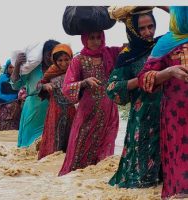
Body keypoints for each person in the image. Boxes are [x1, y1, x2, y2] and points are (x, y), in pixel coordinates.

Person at [107, 10, 162, 188]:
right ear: (132, 30)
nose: (148, 32)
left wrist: (162, 6)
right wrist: (139, 80)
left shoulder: (164, 45)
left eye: (151, 26)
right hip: (143, 119)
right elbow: (112, 88)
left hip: (169, 114)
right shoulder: (126, 56)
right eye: (142, 28)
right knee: (142, 179)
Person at [138, 6, 188, 199]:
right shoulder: (166, 44)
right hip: (177, 117)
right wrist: (167, 73)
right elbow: (143, 79)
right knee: (181, 164)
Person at [58, 32, 121, 176]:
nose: (96, 41)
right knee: (79, 153)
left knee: (105, 156)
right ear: (85, 39)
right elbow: (67, 87)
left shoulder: (111, 54)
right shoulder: (78, 60)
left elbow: (131, 48)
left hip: (109, 113)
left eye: (99, 37)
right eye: (91, 37)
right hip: (87, 115)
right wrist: (84, 83)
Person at [11, 39, 60, 148]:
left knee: (50, 147)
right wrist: (17, 65)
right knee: (28, 147)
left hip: (54, 109)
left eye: (54, 55)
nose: (51, 58)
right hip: (33, 111)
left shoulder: (60, 68)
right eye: (48, 55)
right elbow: (15, 85)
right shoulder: (32, 69)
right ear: (42, 54)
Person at [37, 44, 76, 160]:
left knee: (72, 135)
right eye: (60, 60)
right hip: (55, 109)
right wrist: (45, 85)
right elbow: (39, 85)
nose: (63, 63)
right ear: (54, 60)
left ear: (71, 58)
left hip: (72, 108)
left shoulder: (76, 70)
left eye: (66, 59)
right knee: (54, 136)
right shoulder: (51, 71)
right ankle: (51, 160)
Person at [0, 59, 21, 131]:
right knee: (5, 130)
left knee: (15, 129)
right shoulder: (3, 78)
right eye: (10, 67)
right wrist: (9, 99)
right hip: (5, 107)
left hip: (17, 107)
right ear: (7, 68)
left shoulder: (21, 78)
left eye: (14, 67)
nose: (12, 69)